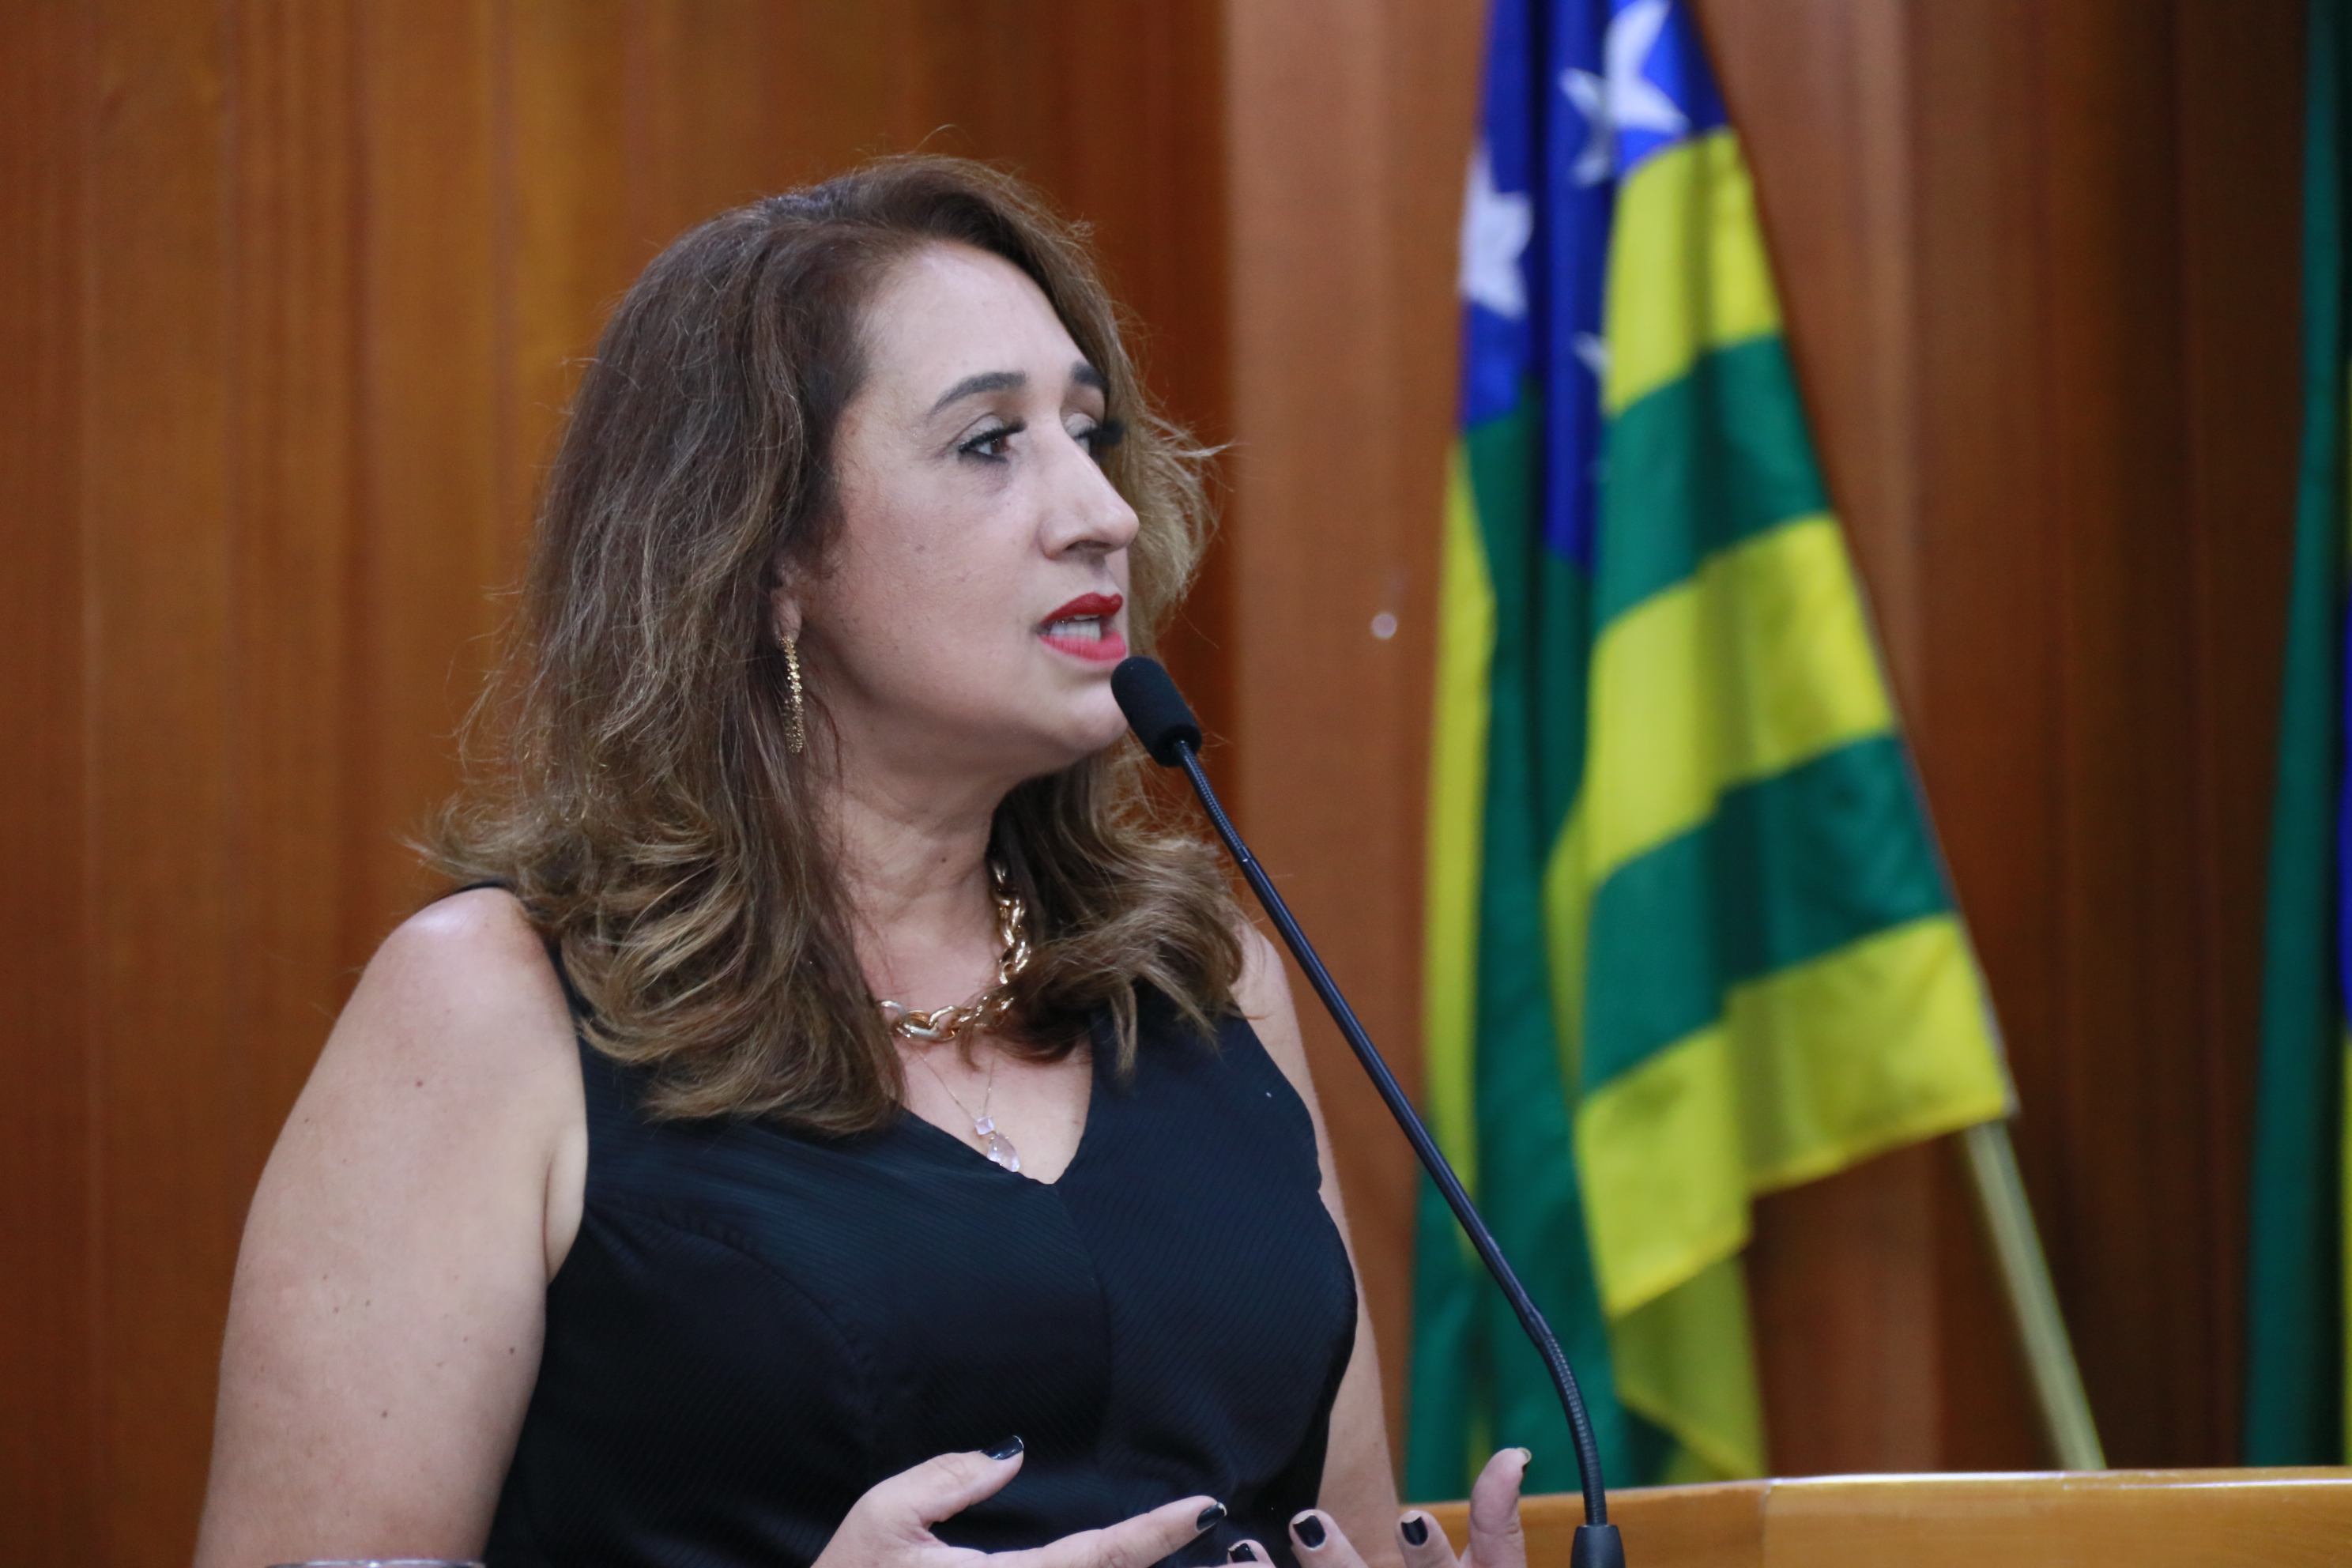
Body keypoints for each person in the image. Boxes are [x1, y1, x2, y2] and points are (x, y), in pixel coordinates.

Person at [192, 155, 1533, 1568]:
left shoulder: (1210, 982)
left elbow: (1344, 1528)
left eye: (1088, 431)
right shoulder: (494, 1006)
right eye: (989, 443)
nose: (1103, 511)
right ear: (769, 558)